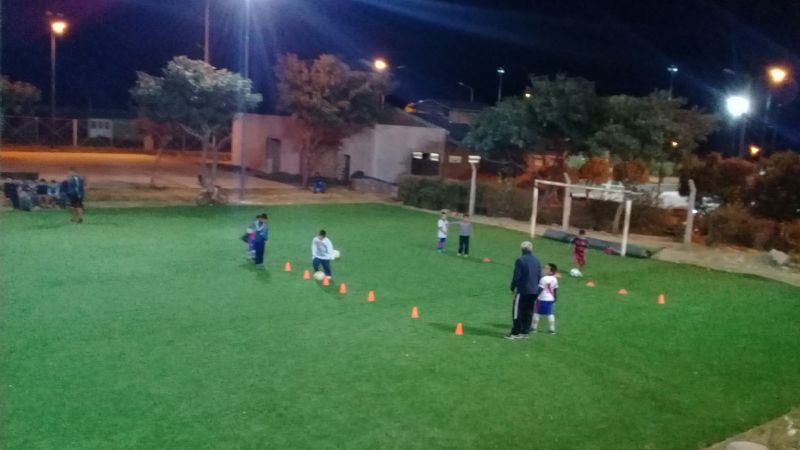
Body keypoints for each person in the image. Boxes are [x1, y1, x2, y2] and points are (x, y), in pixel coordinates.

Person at [506, 241, 542, 340]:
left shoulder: (520, 260)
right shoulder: (537, 260)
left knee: (517, 311)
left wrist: (512, 287)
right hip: (534, 290)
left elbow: (517, 275)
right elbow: (539, 275)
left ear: (522, 249)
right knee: (529, 311)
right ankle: (525, 332)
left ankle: (515, 333)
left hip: (523, 290)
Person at [532, 263, 559, 335]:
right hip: (550, 299)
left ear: (551, 271)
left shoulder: (543, 279)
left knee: (537, 313)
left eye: (546, 268)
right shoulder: (555, 279)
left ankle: (533, 328)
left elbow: (540, 289)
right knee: (550, 313)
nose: (544, 269)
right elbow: (555, 289)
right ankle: (552, 330)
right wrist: (555, 297)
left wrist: (534, 297)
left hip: (542, 299)